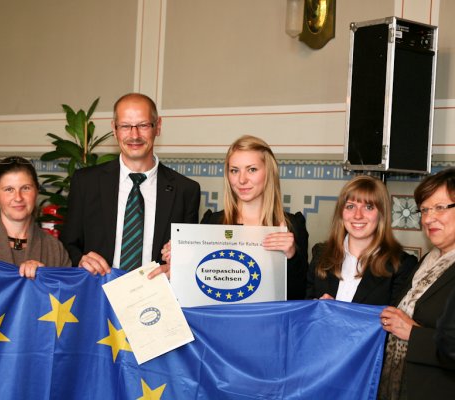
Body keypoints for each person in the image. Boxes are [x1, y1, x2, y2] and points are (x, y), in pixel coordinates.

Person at [60, 93, 201, 275]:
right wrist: (80, 259)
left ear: (157, 127)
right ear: (114, 129)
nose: (134, 136)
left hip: (156, 297)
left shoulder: (186, 191)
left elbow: (189, 257)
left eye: (143, 125)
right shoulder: (86, 183)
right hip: (97, 293)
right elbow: (67, 245)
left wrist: (176, 268)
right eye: (125, 126)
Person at [158, 135, 308, 299]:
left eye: (252, 169)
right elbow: (197, 287)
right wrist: (180, 260)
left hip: (270, 323)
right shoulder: (212, 223)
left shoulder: (293, 226)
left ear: (269, 172)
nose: (242, 180)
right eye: (234, 170)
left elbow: (300, 295)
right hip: (220, 321)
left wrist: (291, 256)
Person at [378, 168, 455, 399]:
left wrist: (413, 334)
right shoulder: (426, 262)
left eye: (440, 208)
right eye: (424, 209)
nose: (428, 218)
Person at [306, 175, 417, 305]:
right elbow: (304, 310)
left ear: (381, 214)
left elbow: (392, 322)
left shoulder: (402, 265)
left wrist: (337, 313)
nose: (358, 215)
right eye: (350, 206)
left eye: (368, 207)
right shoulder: (321, 254)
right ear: (341, 212)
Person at [0, 156, 71, 278]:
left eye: (26, 188)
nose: (18, 197)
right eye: (9, 189)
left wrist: (45, 278)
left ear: (36, 191)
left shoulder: (54, 249)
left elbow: (66, 292)